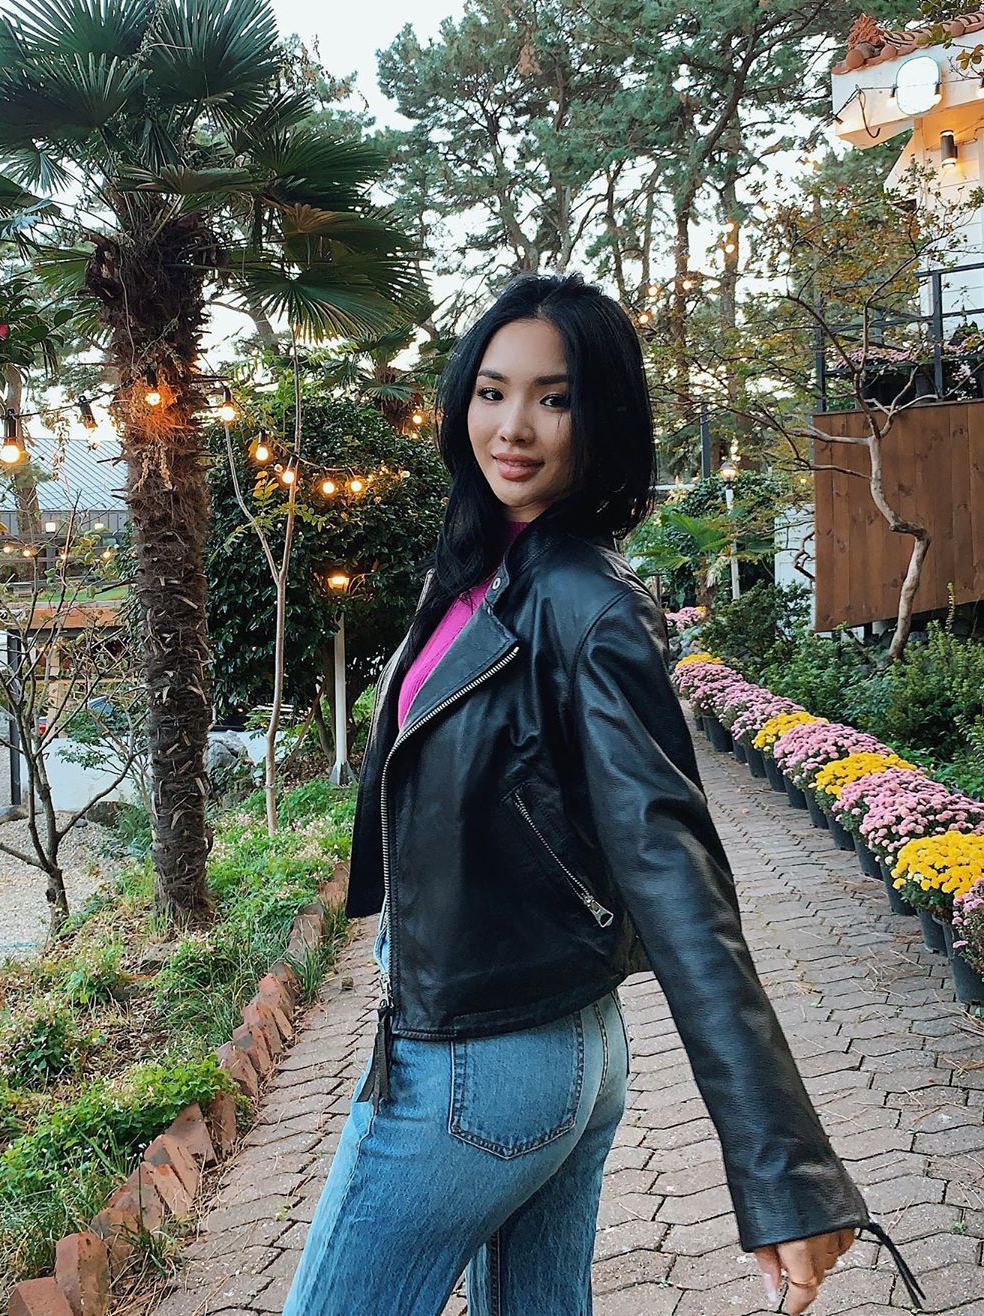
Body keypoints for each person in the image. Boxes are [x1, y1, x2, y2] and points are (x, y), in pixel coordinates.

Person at [282, 273, 924, 1316]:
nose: (514, 427)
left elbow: (676, 872)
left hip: (474, 1070)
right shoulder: (482, 565)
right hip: (551, 1048)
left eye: (557, 397)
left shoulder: (587, 607)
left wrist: (784, 1169)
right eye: (492, 391)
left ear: (604, 415)